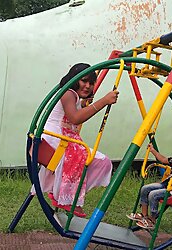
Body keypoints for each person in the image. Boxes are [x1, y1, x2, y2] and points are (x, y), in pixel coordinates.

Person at [32, 63, 119, 217]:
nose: (87, 86)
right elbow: (75, 118)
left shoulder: (73, 96)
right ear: (74, 79)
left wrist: (83, 105)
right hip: (54, 137)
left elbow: (72, 114)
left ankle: (65, 194)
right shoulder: (68, 93)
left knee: (101, 162)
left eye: (91, 83)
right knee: (92, 159)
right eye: (84, 80)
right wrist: (104, 101)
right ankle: (66, 197)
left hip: (59, 137)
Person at [127, 133, 172, 229]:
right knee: (145, 189)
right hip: (167, 185)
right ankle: (143, 215)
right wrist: (153, 150)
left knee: (153, 194)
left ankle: (151, 220)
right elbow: (163, 159)